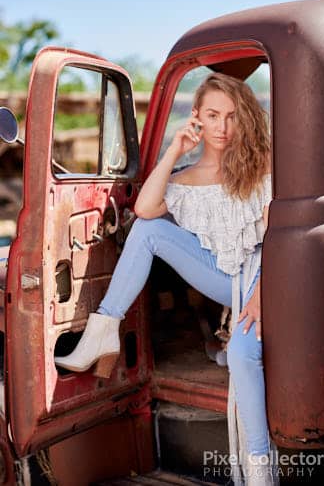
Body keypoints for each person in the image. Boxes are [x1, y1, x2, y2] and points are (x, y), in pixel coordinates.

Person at [55, 72, 275, 486]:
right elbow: (144, 208)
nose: (223, 127)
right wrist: (174, 149)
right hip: (220, 275)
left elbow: (274, 237)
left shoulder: (262, 166)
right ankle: (104, 329)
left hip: (264, 275)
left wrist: (262, 294)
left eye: (232, 116)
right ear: (197, 118)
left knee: (245, 355)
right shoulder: (186, 179)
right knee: (148, 230)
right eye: (212, 115)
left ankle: (262, 473)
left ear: (244, 119)